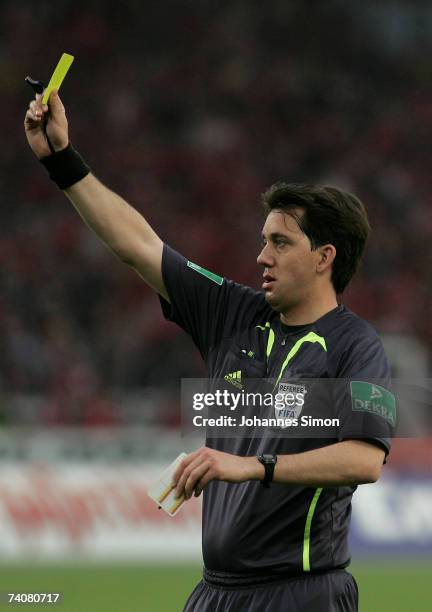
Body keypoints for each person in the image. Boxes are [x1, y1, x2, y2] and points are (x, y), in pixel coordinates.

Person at [24, 90, 395, 612]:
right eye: (263, 239)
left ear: (324, 258)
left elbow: (365, 459)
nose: (261, 255)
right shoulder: (233, 314)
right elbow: (139, 245)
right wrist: (60, 159)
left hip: (303, 593)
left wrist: (250, 466)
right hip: (215, 594)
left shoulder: (356, 346)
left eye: (281, 243)